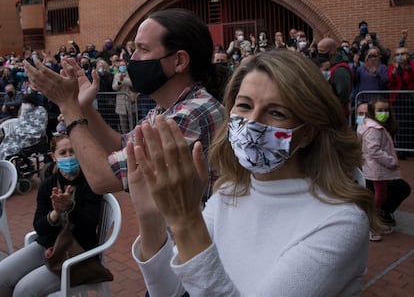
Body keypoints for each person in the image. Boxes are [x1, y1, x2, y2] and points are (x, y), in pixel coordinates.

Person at [128, 50, 377, 296]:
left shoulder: (341, 222)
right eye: (245, 106)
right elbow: (169, 291)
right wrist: (150, 218)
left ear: (308, 132)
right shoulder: (230, 191)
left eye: (276, 112)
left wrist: (187, 220)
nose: (253, 122)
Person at [23, 8, 225, 197]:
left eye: (143, 49)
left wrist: (68, 105)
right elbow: (121, 146)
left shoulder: (189, 115)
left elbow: (102, 179)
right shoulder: (167, 109)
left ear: (179, 61)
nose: (132, 58)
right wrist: (84, 107)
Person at [0, 134, 103, 296]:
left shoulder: (90, 184)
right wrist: (55, 213)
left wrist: (71, 207)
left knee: (23, 290)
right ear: (53, 157)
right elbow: (39, 227)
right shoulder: (48, 185)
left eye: (73, 151)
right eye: (63, 153)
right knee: (2, 277)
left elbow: (90, 228)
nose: (69, 156)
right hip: (49, 245)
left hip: (78, 253)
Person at [357, 97, 400, 241]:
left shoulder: (376, 127)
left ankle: (375, 220)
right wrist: (390, 161)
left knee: (381, 194)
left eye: (386, 110)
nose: (384, 113)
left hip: (377, 168)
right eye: (380, 110)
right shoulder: (374, 129)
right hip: (377, 168)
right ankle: (371, 222)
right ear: (373, 112)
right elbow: (374, 150)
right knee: (380, 196)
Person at [0, 93, 48, 160]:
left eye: (26, 103)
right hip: (18, 136)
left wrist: (23, 133)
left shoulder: (40, 111)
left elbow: (40, 130)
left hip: (30, 138)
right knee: (3, 146)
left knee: (9, 150)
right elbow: (20, 123)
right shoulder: (25, 111)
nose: (24, 105)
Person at [317, 38, 353, 117]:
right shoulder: (328, 64)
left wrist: (335, 111)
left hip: (336, 113)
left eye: (322, 51)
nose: (319, 54)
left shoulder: (340, 70)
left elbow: (343, 94)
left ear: (332, 51)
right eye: (318, 51)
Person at [112, 59, 137, 134]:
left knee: (131, 121)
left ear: (126, 66)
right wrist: (119, 82)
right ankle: (125, 137)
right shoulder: (116, 75)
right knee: (123, 123)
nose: (122, 67)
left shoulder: (131, 74)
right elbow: (114, 87)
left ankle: (133, 135)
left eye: (123, 65)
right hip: (120, 102)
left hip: (130, 101)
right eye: (120, 65)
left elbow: (133, 83)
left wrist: (123, 80)